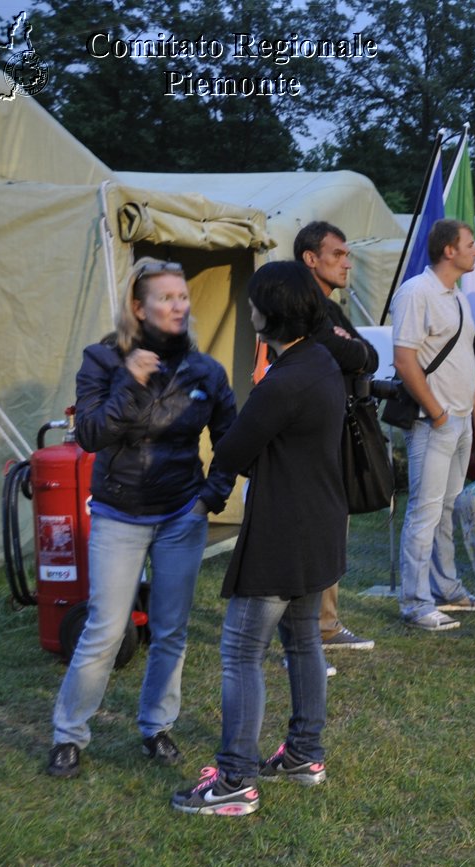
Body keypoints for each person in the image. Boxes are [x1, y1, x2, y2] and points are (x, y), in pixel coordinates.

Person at [45, 258, 238, 779]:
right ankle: (69, 734)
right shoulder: (103, 360)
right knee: (105, 630)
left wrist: (210, 498)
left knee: (171, 629)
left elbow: (232, 439)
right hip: (119, 513)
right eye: (166, 297)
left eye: (182, 296)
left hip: (181, 513)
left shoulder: (205, 371)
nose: (179, 305)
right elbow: (89, 435)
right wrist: (129, 382)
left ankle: (156, 726)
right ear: (139, 306)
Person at [170, 263, 346, 815]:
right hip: (320, 525)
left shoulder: (284, 380)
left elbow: (233, 450)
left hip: (282, 533)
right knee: (303, 643)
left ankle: (234, 781)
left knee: (242, 651)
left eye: (253, 304)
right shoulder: (320, 361)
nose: (249, 312)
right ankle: (303, 753)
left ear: (271, 313)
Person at [390, 219, 475, 631]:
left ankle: (447, 588)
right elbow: (404, 361)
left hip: (457, 421)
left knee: (446, 508)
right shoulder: (417, 292)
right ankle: (416, 602)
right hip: (432, 421)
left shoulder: (457, 297)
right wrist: (437, 413)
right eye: (470, 244)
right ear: (448, 251)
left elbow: (465, 363)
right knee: (425, 511)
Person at [295, 220, 379, 655]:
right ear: (312, 258)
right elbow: (343, 350)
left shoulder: (329, 306)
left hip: (334, 430)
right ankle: (309, 630)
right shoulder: (300, 305)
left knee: (332, 526)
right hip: (308, 436)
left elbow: (367, 353)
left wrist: (351, 347)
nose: (348, 262)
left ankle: (324, 623)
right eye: (338, 254)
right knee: (315, 530)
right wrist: (349, 347)